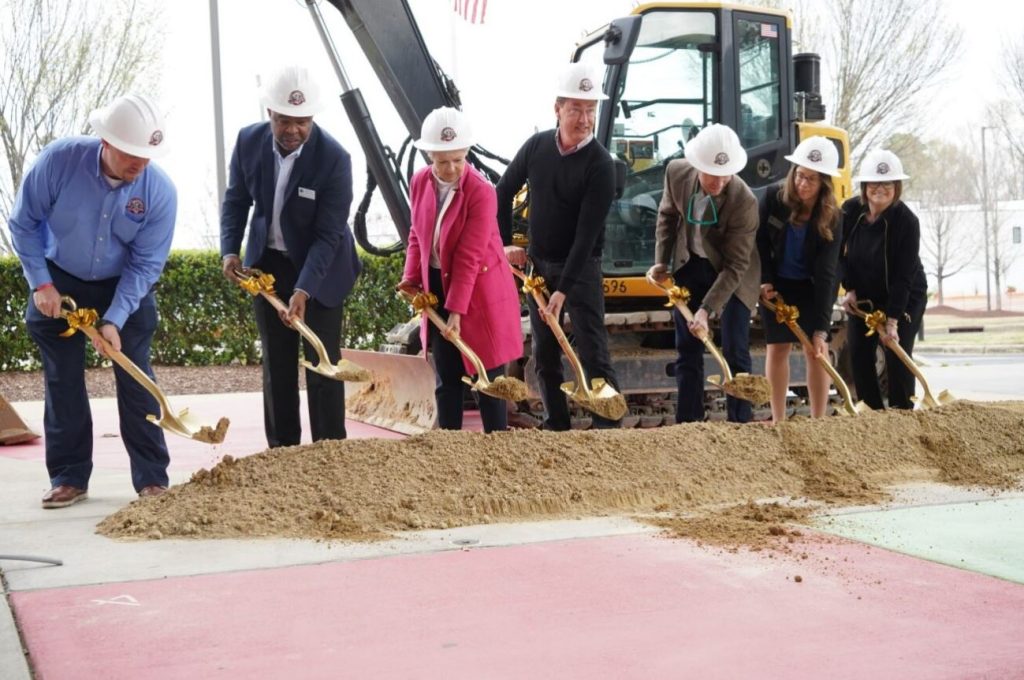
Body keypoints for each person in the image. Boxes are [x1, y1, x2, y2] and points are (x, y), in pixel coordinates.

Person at [9, 94, 176, 507]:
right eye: (132, 153)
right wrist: (41, 284)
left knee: (136, 378)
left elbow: (145, 265)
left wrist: (114, 319)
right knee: (62, 379)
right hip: (59, 278)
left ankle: (152, 479)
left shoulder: (160, 192)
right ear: (106, 141)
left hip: (124, 285)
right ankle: (69, 477)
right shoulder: (59, 161)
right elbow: (24, 223)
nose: (140, 163)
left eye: (147, 155)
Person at [220, 65, 361, 447]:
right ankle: (282, 453)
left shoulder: (335, 158)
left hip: (322, 271)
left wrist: (303, 290)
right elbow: (236, 201)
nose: (293, 130)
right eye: (284, 120)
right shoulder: (248, 142)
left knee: (322, 362)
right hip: (268, 265)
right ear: (270, 113)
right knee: (277, 364)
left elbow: (328, 235)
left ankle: (329, 452)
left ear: (312, 117)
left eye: (302, 121)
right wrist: (230, 251)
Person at [496, 61, 620, 431]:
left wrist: (563, 290)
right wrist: (505, 244)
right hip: (539, 265)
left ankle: (609, 432)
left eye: (590, 110)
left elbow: (586, 235)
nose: (585, 119)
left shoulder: (601, 165)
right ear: (557, 109)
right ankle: (556, 426)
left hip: (581, 269)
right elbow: (501, 191)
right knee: (545, 354)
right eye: (576, 109)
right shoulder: (536, 147)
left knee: (592, 350)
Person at [397, 107, 523, 433]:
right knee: (447, 372)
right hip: (438, 285)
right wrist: (411, 278)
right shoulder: (419, 181)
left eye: (458, 159)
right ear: (429, 155)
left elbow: (469, 256)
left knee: (487, 377)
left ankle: (496, 444)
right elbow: (417, 234)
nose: (451, 168)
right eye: (442, 161)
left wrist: (456, 311)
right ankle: (450, 446)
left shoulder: (481, 191)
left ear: (466, 152)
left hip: (480, 290)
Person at [647, 123, 759, 423]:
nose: (719, 182)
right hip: (691, 263)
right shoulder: (676, 173)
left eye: (726, 174)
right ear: (697, 165)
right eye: (712, 174)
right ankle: (689, 424)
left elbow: (736, 265)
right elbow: (667, 216)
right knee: (687, 348)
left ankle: (740, 425)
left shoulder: (744, 201)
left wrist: (707, 310)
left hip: (733, 274)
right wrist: (661, 263)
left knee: (735, 351)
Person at [757, 136, 843, 422]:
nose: (803, 184)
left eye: (811, 179)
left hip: (812, 288)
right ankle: (778, 420)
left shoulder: (833, 216)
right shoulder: (773, 197)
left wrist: (821, 329)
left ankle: (818, 420)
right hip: (777, 286)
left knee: (816, 351)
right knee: (777, 348)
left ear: (824, 184)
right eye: (800, 176)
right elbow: (759, 244)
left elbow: (828, 271)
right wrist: (764, 281)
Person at [839, 149, 927, 410]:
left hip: (904, 296)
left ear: (896, 187)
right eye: (874, 183)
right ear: (865, 186)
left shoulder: (907, 222)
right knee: (859, 354)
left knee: (897, 355)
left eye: (887, 183)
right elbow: (838, 255)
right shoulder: (849, 211)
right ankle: (872, 415)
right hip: (863, 296)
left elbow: (903, 276)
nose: (880, 189)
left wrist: (893, 320)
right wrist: (848, 288)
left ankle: (902, 415)